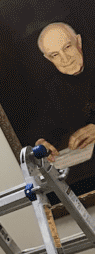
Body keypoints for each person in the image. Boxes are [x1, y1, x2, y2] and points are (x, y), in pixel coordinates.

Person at [34, 22, 95, 163]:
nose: (65, 59)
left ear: (78, 42)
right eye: (55, 55)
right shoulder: (51, 88)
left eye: (67, 47)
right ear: (48, 58)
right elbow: (44, 127)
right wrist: (41, 142)